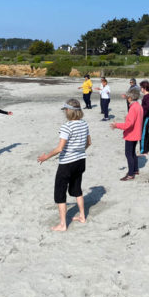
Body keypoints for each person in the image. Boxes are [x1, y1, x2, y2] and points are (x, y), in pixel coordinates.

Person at [37, 99, 91, 231]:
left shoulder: (66, 127)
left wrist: (46, 157)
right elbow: (89, 143)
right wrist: (78, 150)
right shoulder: (84, 124)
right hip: (80, 161)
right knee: (77, 188)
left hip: (67, 163)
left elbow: (60, 148)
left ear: (68, 111)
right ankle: (82, 216)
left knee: (60, 192)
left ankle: (62, 224)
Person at [111, 89, 143, 180]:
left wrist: (116, 125)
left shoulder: (133, 108)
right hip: (136, 133)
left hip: (131, 134)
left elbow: (129, 124)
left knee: (129, 154)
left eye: (128, 97)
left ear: (130, 98)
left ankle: (130, 174)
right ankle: (135, 170)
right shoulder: (138, 106)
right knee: (133, 153)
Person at [139, 80, 149, 155]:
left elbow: (148, 107)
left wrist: (142, 112)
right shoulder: (147, 96)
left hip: (146, 117)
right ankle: (148, 148)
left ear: (144, 88)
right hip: (146, 117)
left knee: (143, 133)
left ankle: (144, 150)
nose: (140, 89)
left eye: (141, 87)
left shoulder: (147, 96)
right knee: (146, 132)